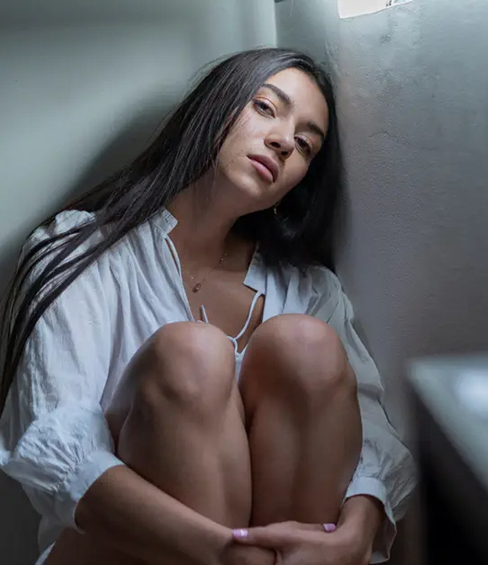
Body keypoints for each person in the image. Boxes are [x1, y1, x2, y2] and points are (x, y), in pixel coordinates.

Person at [0, 48, 415, 565]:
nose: (285, 141)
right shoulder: (80, 252)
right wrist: (222, 553)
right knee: (191, 353)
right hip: (125, 552)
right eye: (266, 108)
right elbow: (52, 447)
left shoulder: (310, 291)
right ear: (213, 110)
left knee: (306, 345)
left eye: (306, 144)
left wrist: (356, 532)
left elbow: (374, 441)